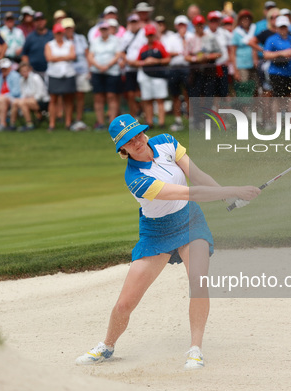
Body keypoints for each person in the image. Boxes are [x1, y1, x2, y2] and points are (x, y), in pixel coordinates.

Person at [74, 113, 261, 369]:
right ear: (122, 149)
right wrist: (234, 190)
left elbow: (197, 177)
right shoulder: (135, 179)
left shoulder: (167, 142)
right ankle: (107, 346)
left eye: (138, 133)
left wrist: (226, 197)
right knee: (125, 302)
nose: (137, 141)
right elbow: (189, 193)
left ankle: (195, 349)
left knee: (198, 281)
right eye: (129, 140)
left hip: (190, 222)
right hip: (157, 232)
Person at [132, 24, 170, 128]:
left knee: (160, 99)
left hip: (158, 76)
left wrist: (156, 61)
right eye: (148, 35)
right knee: (147, 99)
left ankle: (161, 123)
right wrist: (144, 62)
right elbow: (137, 61)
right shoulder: (143, 48)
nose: (150, 37)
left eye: (152, 35)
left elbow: (167, 59)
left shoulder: (160, 46)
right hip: (146, 76)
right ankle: (150, 122)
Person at [88, 21, 122, 129]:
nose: (104, 31)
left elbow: (117, 55)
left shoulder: (115, 40)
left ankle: (112, 123)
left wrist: (107, 65)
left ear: (109, 29)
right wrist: (98, 66)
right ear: (99, 30)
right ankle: (101, 122)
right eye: (102, 29)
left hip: (112, 71)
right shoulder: (95, 41)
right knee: (98, 97)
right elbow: (90, 56)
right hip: (98, 72)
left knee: (111, 96)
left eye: (105, 29)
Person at [264, 15, 291, 98]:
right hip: (277, 73)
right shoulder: (272, 39)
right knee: (278, 97)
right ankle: (276, 112)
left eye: (284, 27)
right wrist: (282, 53)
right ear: (277, 28)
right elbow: (266, 55)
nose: (283, 29)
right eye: (281, 27)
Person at [45, 23, 76, 131]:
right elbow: (49, 57)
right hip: (54, 74)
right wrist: (65, 57)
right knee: (53, 99)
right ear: (54, 33)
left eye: (61, 33)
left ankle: (68, 123)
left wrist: (57, 57)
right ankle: (52, 124)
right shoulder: (49, 44)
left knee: (68, 99)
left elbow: (73, 56)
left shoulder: (69, 44)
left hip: (68, 74)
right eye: (57, 33)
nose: (59, 35)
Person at [163, 15, 192, 131]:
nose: (181, 27)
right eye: (179, 25)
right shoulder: (171, 38)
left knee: (190, 94)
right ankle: (178, 120)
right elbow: (168, 53)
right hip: (175, 69)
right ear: (176, 26)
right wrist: (180, 52)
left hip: (188, 68)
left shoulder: (191, 37)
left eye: (183, 25)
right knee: (175, 95)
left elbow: (192, 52)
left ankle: (191, 119)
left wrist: (182, 48)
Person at [62, 18, 89, 131]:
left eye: (70, 27)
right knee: (68, 96)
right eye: (67, 28)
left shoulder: (80, 38)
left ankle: (79, 119)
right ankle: (68, 120)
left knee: (80, 95)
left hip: (82, 70)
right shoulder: (61, 40)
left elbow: (87, 54)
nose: (69, 30)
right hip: (67, 71)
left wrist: (89, 69)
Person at [11, 62, 49, 131]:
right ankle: (12, 124)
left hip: (42, 101)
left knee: (22, 103)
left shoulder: (36, 78)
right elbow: (23, 94)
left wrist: (30, 99)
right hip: (29, 100)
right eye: (22, 71)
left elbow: (40, 94)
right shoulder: (21, 80)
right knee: (15, 102)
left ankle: (29, 125)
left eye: (25, 71)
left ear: (29, 70)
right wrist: (26, 99)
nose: (24, 73)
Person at [230, 9, 257, 98]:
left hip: (253, 65)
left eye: (247, 18)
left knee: (254, 88)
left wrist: (255, 59)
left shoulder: (253, 30)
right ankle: (244, 110)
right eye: (243, 19)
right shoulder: (236, 33)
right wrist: (235, 70)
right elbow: (233, 52)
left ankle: (254, 109)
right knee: (244, 89)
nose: (246, 20)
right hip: (241, 65)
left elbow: (255, 47)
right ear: (240, 20)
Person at [21, 12, 53, 76]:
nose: (40, 22)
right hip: (34, 72)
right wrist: (28, 67)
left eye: (41, 20)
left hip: (50, 71)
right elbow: (24, 54)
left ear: (45, 21)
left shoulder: (52, 35)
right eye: (37, 20)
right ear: (34, 23)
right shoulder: (30, 37)